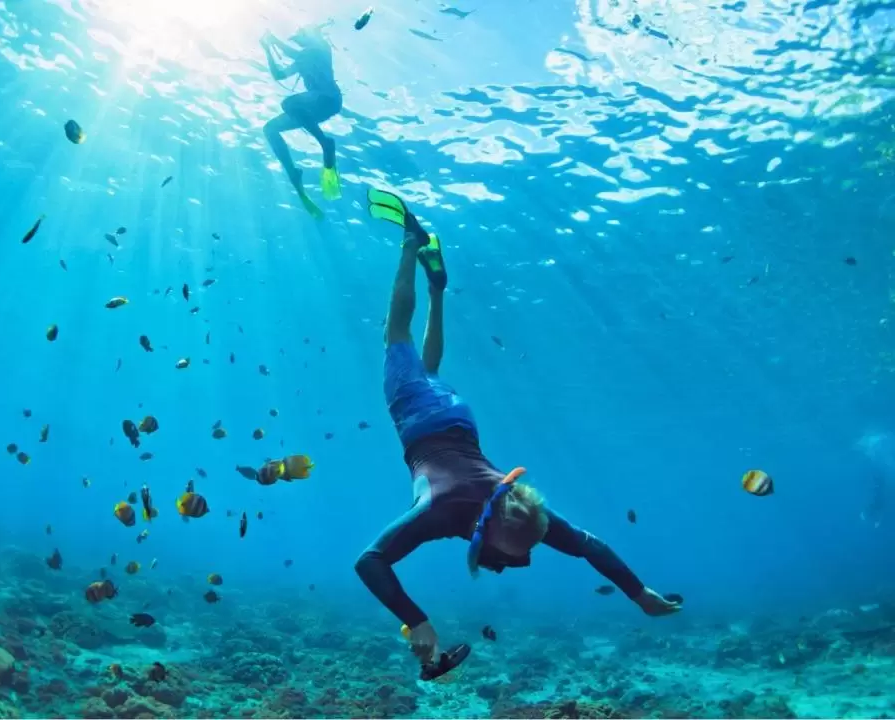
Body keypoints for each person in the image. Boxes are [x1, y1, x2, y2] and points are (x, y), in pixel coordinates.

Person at [354, 188, 682, 667]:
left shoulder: (519, 515)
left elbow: (589, 546)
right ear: (487, 529)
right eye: (510, 556)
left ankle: (437, 290)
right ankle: (409, 243)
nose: (515, 564)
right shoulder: (444, 509)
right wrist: (417, 619)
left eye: (520, 557)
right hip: (422, 419)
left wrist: (641, 594)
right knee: (396, 336)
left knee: (431, 369)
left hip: (458, 417)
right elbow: (368, 561)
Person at [259, 25, 342, 219]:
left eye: (301, 38)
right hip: (313, 108)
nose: (299, 42)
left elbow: (293, 53)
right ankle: (292, 172)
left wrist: (273, 40)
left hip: (328, 99)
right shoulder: (302, 57)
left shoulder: (321, 47)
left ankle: (324, 142)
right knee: (270, 128)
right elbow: (279, 74)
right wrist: (267, 50)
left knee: (288, 103)